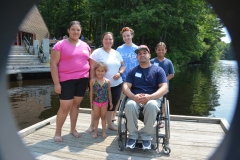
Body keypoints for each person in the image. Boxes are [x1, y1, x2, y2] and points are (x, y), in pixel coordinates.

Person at [50, 21, 91, 142]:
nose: (76, 32)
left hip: (82, 79)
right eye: (73, 29)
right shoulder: (60, 45)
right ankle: (58, 132)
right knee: (65, 107)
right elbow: (53, 64)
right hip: (66, 80)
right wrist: (56, 83)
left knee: (76, 104)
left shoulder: (85, 46)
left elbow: (88, 63)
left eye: (78, 30)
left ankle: (73, 129)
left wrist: (88, 82)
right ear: (68, 30)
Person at [123, 45, 168, 150]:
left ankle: (146, 136)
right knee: (129, 105)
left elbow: (164, 88)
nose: (142, 55)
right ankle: (132, 136)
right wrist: (133, 96)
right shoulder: (132, 71)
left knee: (152, 105)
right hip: (135, 98)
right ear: (137, 57)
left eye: (144, 53)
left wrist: (150, 97)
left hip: (152, 98)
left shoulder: (158, 70)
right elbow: (125, 87)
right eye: (139, 53)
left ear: (149, 55)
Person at [86, 32, 126, 132]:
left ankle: (110, 124)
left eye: (110, 39)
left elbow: (123, 65)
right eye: (106, 39)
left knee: (111, 105)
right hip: (100, 85)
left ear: (113, 41)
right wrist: (92, 82)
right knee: (96, 105)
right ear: (102, 40)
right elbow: (92, 68)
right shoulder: (97, 52)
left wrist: (120, 73)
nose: (108, 41)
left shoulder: (116, 53)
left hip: (116, 84)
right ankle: (92, 125)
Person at [113, 27, 138, 121]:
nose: (126, 38)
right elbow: (117, 63)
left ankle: (131, 117)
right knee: (118, 99)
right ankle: (113, 117)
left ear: (132, 35)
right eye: (124, 36)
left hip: (134, 79)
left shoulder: (137, 48)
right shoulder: (119, 49)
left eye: (128, 35)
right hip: (122, 78)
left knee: (132, 99)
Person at [150, 42, 174, 128]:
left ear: (165, 51)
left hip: (164, 86)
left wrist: (163, 80)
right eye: (159, 50)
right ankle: (151, 116)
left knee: (163, 101)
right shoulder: (152, 61)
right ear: (156, 50)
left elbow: (172, 74)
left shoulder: (168, 62)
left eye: (162, 50)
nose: (161, 51)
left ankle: (161, 118)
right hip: (153, 86)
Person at [90, 62, 113, 139]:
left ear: (105, 71)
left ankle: (104, 132)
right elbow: (91, 92)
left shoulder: (107, 81)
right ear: (95, 71)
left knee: (103, 117)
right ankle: (95, 132)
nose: (100, 73)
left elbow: (109, 92)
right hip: (96, 102)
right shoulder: (92, 81)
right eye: (98, 71)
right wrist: (91, 103)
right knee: (96, 117)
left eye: (102, 71)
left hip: (105, 102)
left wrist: (111, 102)